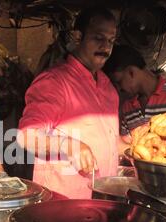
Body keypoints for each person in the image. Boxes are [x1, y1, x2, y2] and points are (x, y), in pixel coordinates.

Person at [17, 6, 119, 199]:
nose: (106, 47)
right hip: (61, 205)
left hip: (103, 202)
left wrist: (135, 142)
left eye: (111, 41)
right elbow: (26, 136)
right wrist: (69, 146)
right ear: (78, 37)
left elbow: (109, 141)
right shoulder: (54, 82)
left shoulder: (108, 88)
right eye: (98, 38)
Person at [103, 44, 166, 144]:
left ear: (131, 72)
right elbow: (126, 147)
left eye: (119, 81)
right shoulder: (126, 106)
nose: (118, 88)